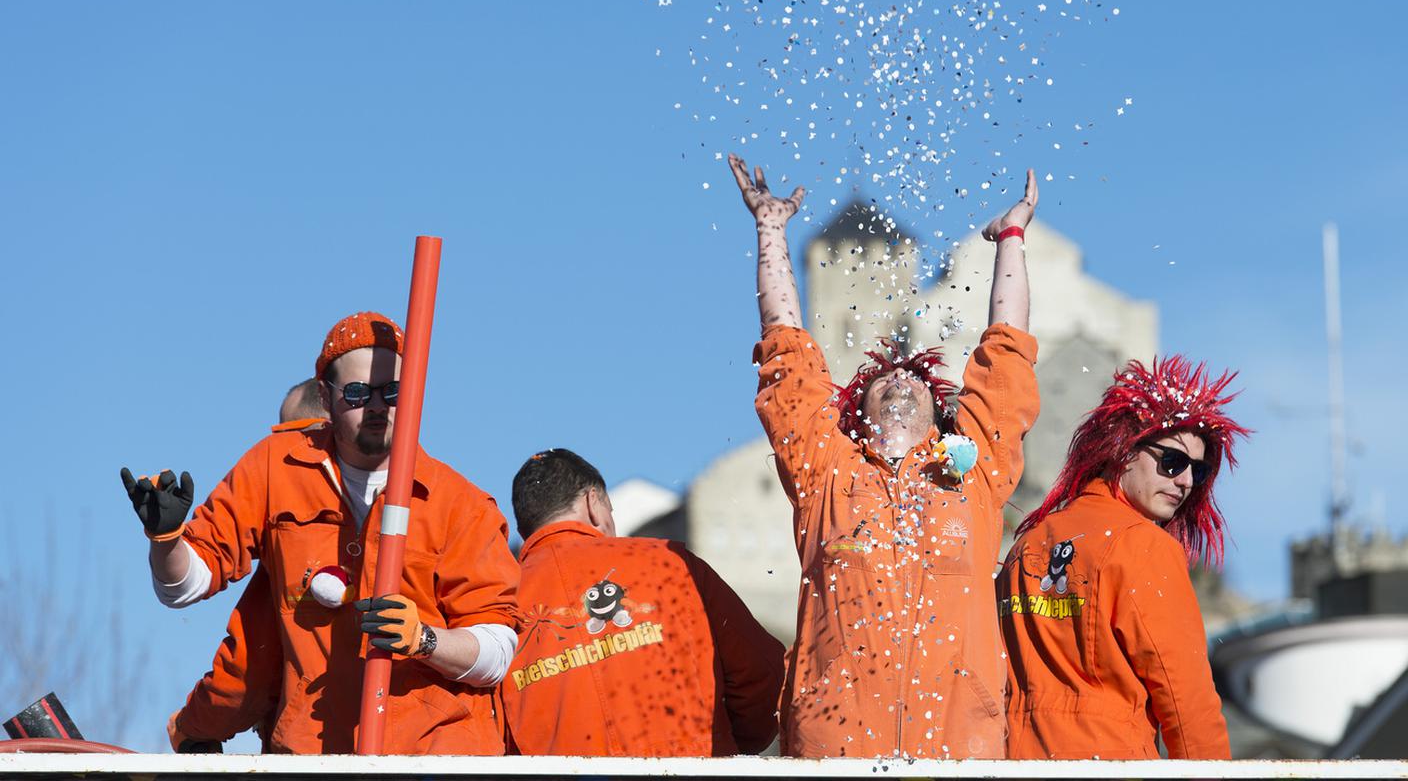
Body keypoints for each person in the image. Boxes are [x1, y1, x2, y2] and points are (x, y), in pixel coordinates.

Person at [730, 154, 1040, 758]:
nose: (902, 379)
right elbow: (788, 355)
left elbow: (1006, 357)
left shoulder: (975, 469)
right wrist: (770, 231)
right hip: (834, 750)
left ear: (941, 407)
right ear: (857, 412)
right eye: (883, 378)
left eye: (919, 378)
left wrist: (1010, 237)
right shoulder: (824, 470)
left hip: (962, 752)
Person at [123, 311, 520, 754]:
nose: (376, 407)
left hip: (435, 755)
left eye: (393, 392)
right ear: (327, 398)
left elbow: (497, 651)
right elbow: (185, 586)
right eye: (356, 393)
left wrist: (424, 639)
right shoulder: (275, 468)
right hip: (318, 755)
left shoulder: (459, 502)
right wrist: (166, 540)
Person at [998, 358, 1247, 759]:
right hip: (1108, 761)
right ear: (1122, 449)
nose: (1184, 481)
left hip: (1014, 761)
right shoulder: (1142, 545)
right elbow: (1186, 700)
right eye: (1172, 462)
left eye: (1198, 472)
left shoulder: (1026, 544)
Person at [501, 448, 784, 756]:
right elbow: (762, 674)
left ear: (524, 531)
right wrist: (729, 750)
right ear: (593, 504)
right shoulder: (672, 563)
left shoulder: (498, 602)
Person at [166, 381, 330, 753]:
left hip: (327, 754)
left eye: (292, 436)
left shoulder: (302, 554)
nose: (283, 453)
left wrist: (191, 727)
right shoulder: (440, 504)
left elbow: (249, 672)